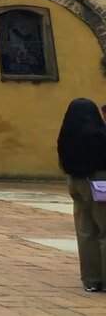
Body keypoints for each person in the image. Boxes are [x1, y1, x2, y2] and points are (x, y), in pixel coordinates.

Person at [58, 97, 106, 292]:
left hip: (75, 183)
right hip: (100, 183)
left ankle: (91, 279)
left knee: (85, 231)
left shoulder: (66, 135)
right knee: (104, 230)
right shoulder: (99, 134)